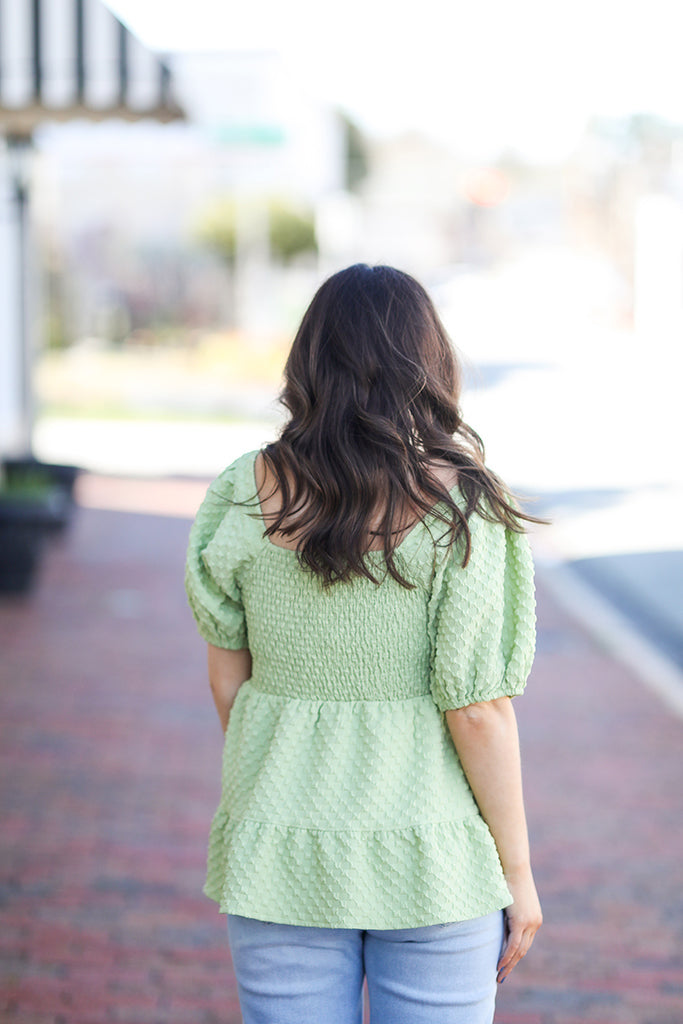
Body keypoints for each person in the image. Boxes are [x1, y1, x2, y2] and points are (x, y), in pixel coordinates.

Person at [185, 264, 543, 1024]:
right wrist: (517, 872)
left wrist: (285, 773)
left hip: (280, 846)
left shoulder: (241, 493)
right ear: (428, 362)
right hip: (433, 858)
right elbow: (477, 710)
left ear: (307, 359)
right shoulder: (465, 507)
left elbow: (227, 683)